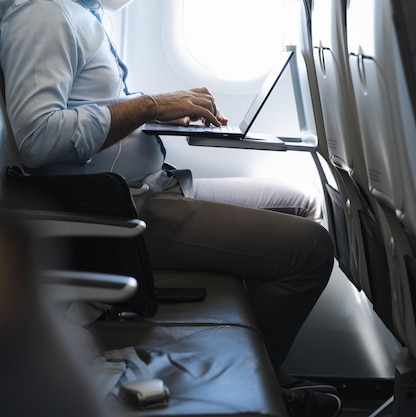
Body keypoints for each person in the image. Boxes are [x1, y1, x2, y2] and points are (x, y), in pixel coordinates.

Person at [0, 0, 341, 416]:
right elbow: (38, 139)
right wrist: (150, 106)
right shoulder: (44, 15)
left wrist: (160, 115)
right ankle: (269, 385)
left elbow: (93, 110)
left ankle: (271, 372)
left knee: (300, 202)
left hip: (154, 186)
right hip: (122, 211)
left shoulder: (84, 14)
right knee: (310, 250)